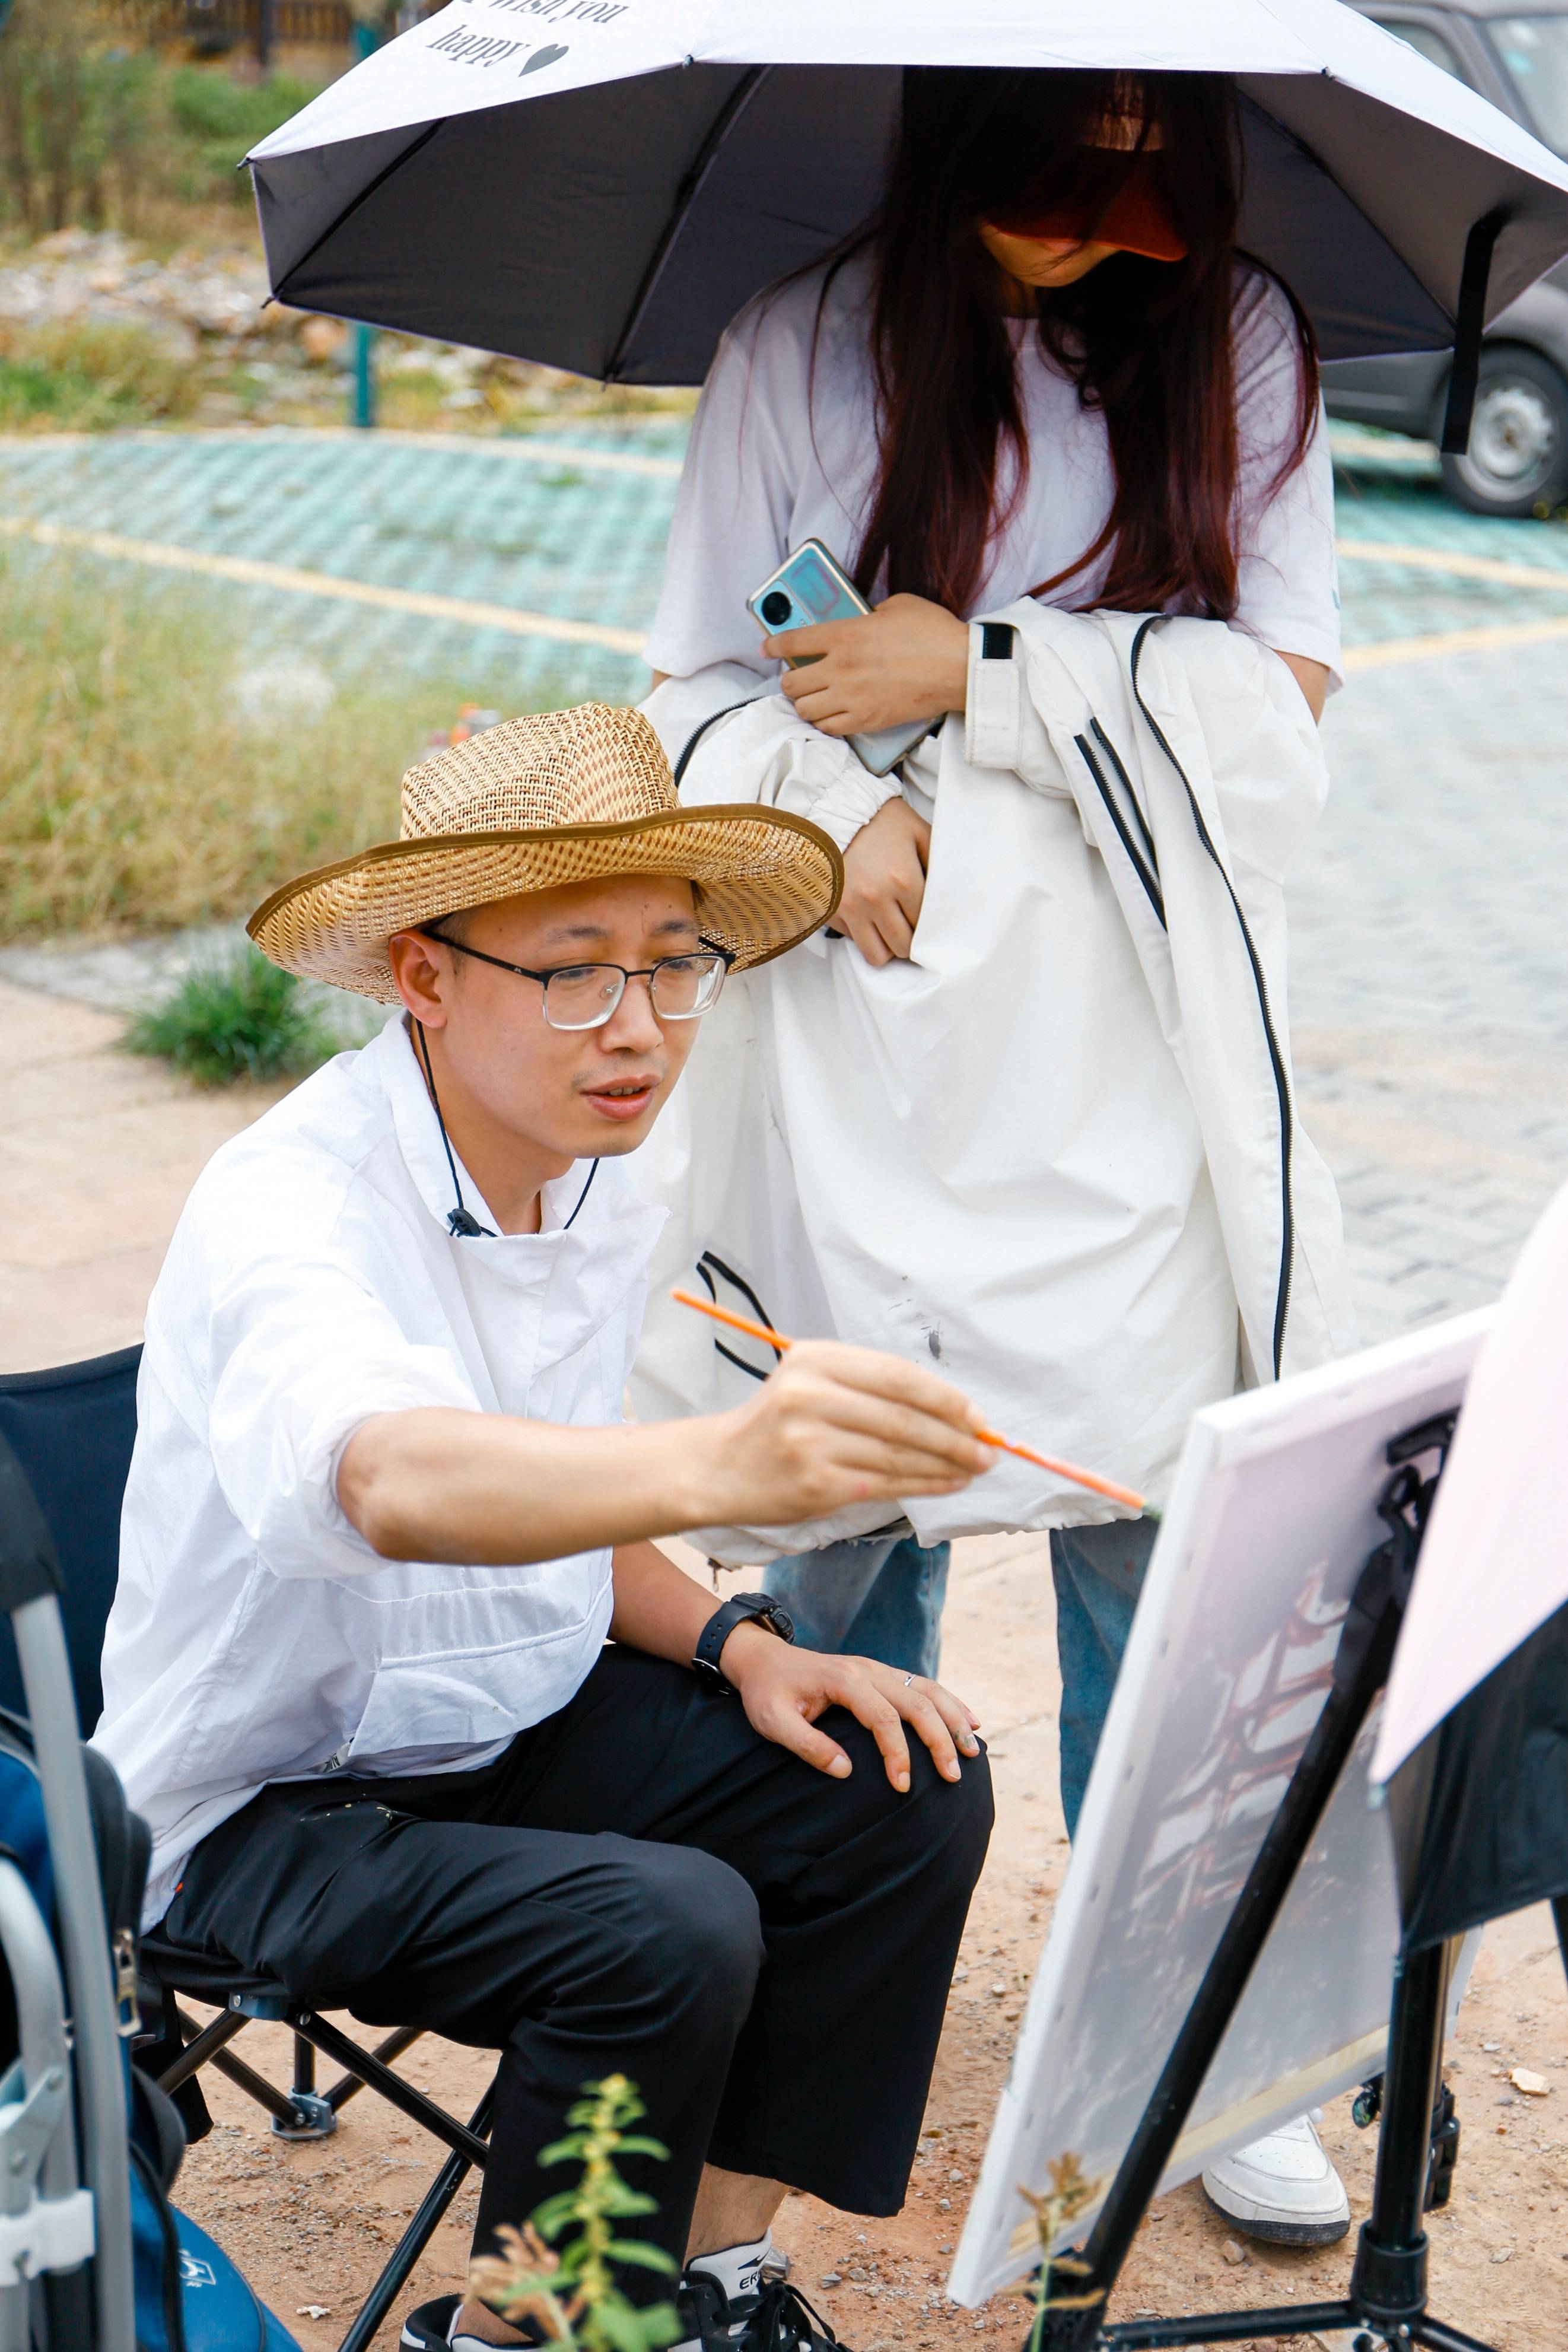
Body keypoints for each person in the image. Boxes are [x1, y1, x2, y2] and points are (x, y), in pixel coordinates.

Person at [635, 68, 1355, 2246]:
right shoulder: (803, 336)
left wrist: (996, 668)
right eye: (1061, 176)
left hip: (1128, 1057)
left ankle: (1196, 2038)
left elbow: (1288, 702)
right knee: (842, 1535)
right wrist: (833, 808)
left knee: (1162, 1548)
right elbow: (680, 679)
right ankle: (805, 1996)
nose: (1104, 229)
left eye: (1156, 185)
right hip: (862, 1040)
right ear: (959, 143)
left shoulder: (1236, 339)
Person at [93, 705, 995, 2352]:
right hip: (257, 1807)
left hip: (492, 1716)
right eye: (572, 968)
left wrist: (746, 1637)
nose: (635, 1023)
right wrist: (724, 1466)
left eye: (673, 963)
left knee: (891, 1776)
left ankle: (703, 2278)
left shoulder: (594, 1178)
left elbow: (559, 1489)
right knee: (659, 1921)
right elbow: (394, 1481)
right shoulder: (292, 1202)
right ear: (425, 976)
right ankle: (540, 2330)